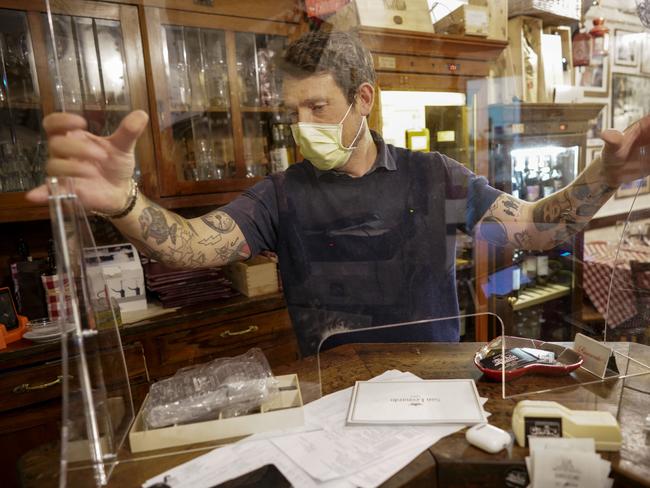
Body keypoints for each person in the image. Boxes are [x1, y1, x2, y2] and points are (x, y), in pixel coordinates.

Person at [27, 31, 650, 355]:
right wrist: (127, 202)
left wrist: (606, 177)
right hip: (332, 386)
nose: (303, 126)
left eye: (318, 106)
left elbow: (536, 227)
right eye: (293, 111)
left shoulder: (435, 176)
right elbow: (192, 246)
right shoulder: (281, 194)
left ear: (363, 99)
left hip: (436, 382)